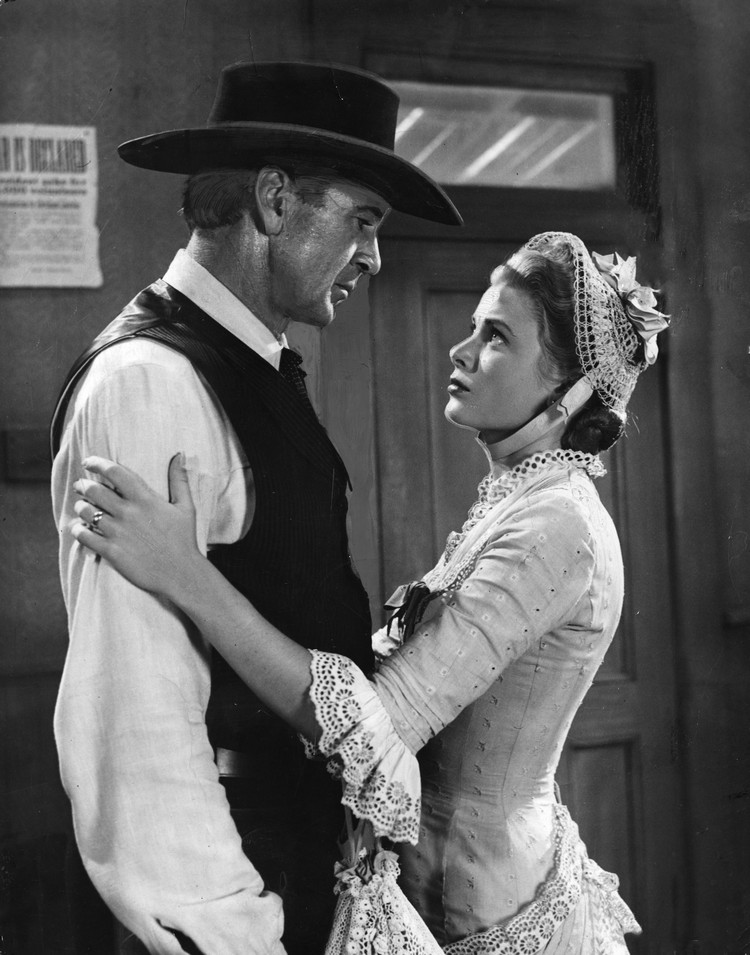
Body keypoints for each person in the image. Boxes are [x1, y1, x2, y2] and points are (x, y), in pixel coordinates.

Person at [69, 231, 668, 953]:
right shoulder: (521, 500)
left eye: (497, 337)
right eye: (474, 326)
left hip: (496, 916)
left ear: (569, 391)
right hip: (439, 887)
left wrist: (185, 573)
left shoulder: (558, 525)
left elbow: (381, 722)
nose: (461, 351)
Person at [50, 60, 461, 955]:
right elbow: (136, 719)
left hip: (297, 876)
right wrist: (235, 929)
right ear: (275, 200)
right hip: (236, 906)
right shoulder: (151, 381)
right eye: (362, 220)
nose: (374, 256)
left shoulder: (250, 362)